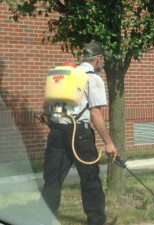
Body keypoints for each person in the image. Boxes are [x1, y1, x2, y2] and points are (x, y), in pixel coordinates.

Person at [41, 41, 119, 225]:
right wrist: (108, 142)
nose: (103, 63)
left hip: (57, 131)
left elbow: (49, 105)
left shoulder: (65, 76)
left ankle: (42, 220)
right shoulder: (93, 78)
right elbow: (95, 113)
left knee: (52, 180)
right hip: (80, 134)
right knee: (90, 177)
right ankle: (97, 220)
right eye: (103, 60)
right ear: (98, 59)